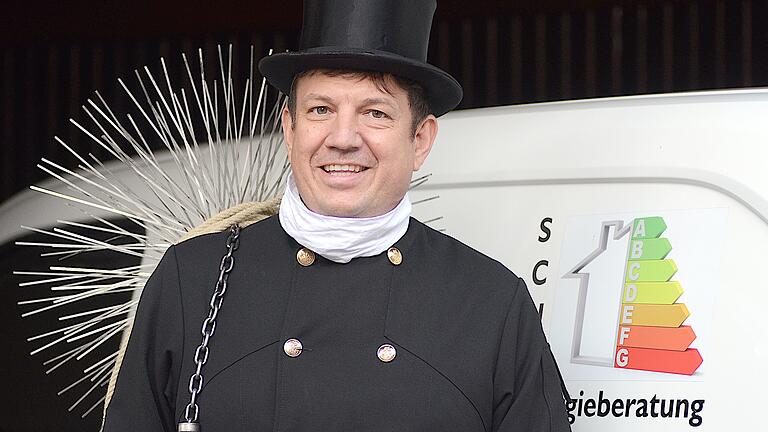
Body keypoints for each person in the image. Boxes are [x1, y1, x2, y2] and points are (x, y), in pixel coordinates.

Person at [102, 1, 572, 431]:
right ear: (290, 128)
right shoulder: (192, 278)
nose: (343, 138)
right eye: (320, 109)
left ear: (421, 140)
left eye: (375, 113)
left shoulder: (491, 302)